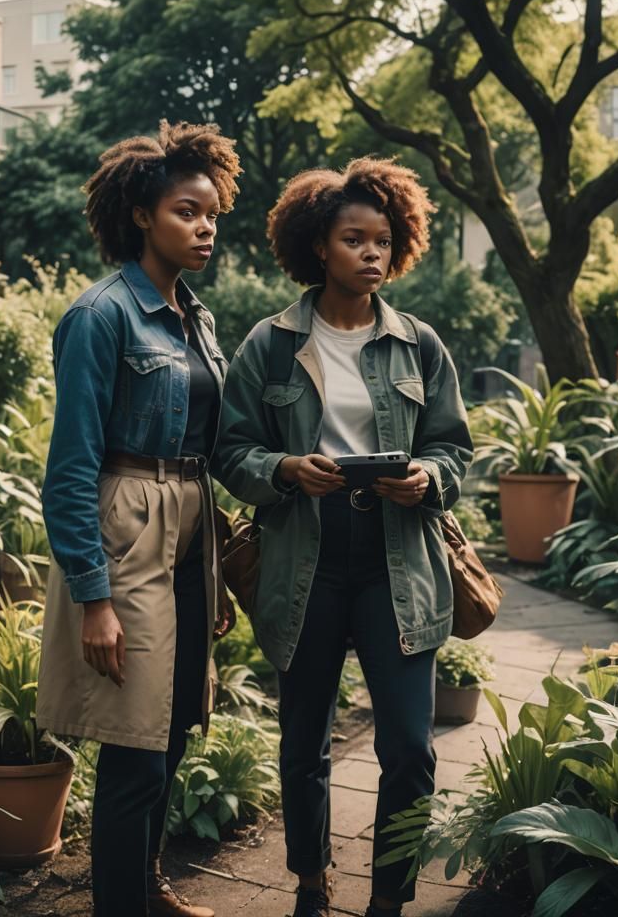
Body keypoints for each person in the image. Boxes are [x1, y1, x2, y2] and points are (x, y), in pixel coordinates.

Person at [214, 159, 473, 917]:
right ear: (318, 246)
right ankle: (310, 882)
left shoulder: (419, 344)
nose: (371, 253)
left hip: (399, 562)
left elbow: (454, 446)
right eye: (354, 239)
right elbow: (230, 451)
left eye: (383, 241)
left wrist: (427, 476)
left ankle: (390, 898)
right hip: (307, 559)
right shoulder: (270, 343)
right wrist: (286, 468)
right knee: (304, 745)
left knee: (411, 748)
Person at [37, 121, 240, 917]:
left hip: (190, 527)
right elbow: (70, 467)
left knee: (178, 722)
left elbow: (209, 444)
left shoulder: (197, 318)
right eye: (188, 212)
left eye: (212, 214)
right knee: (135, 749)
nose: (205, 228)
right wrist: (94, 597)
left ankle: (148, 890)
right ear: (141, 216)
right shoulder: (101, 316)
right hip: (128, 528)